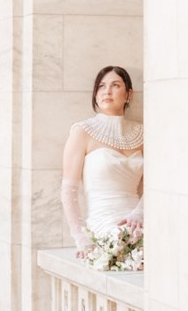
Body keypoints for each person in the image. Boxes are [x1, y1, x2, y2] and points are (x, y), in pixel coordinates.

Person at [61, 65, 142, 258]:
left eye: (115, 85)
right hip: (102, 222)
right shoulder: (82, 131)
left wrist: (140, 213)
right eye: (101, 86)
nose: (107, 91)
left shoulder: (142, 133)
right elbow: (68, 190)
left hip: (138, 220)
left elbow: (154, 185)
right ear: (95, 94)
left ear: (128, 94)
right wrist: (81, 238)